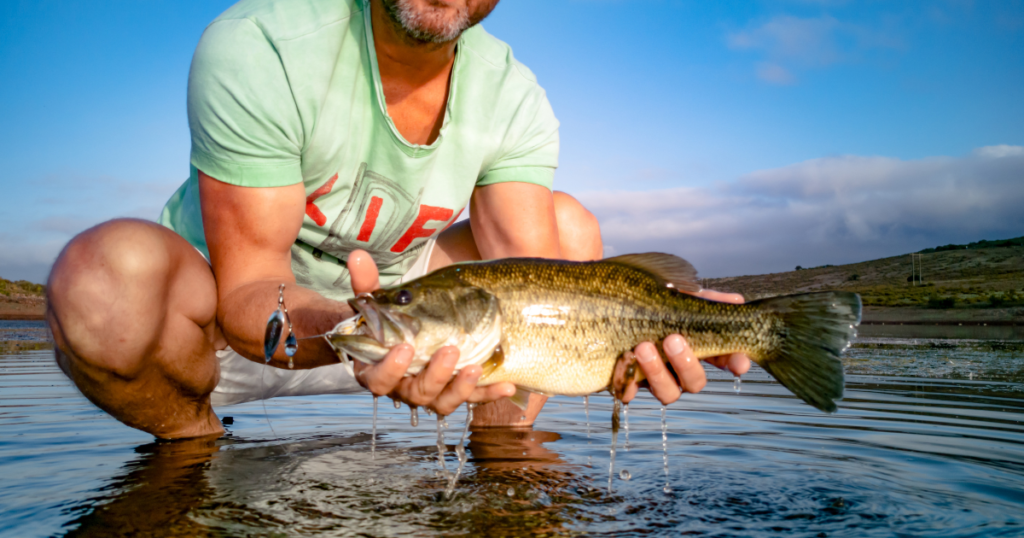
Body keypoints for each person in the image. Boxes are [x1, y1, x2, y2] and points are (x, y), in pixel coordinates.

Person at [46, 0, 750, 439]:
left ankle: (505, 479)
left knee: (567, 234)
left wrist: (631, 342)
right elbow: (246, 290)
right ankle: (193, 453)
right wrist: (364, 332)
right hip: (230, 335)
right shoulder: (261, 44)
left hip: (419, 329)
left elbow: (538, 288)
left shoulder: (515, 97)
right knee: (100, 281)